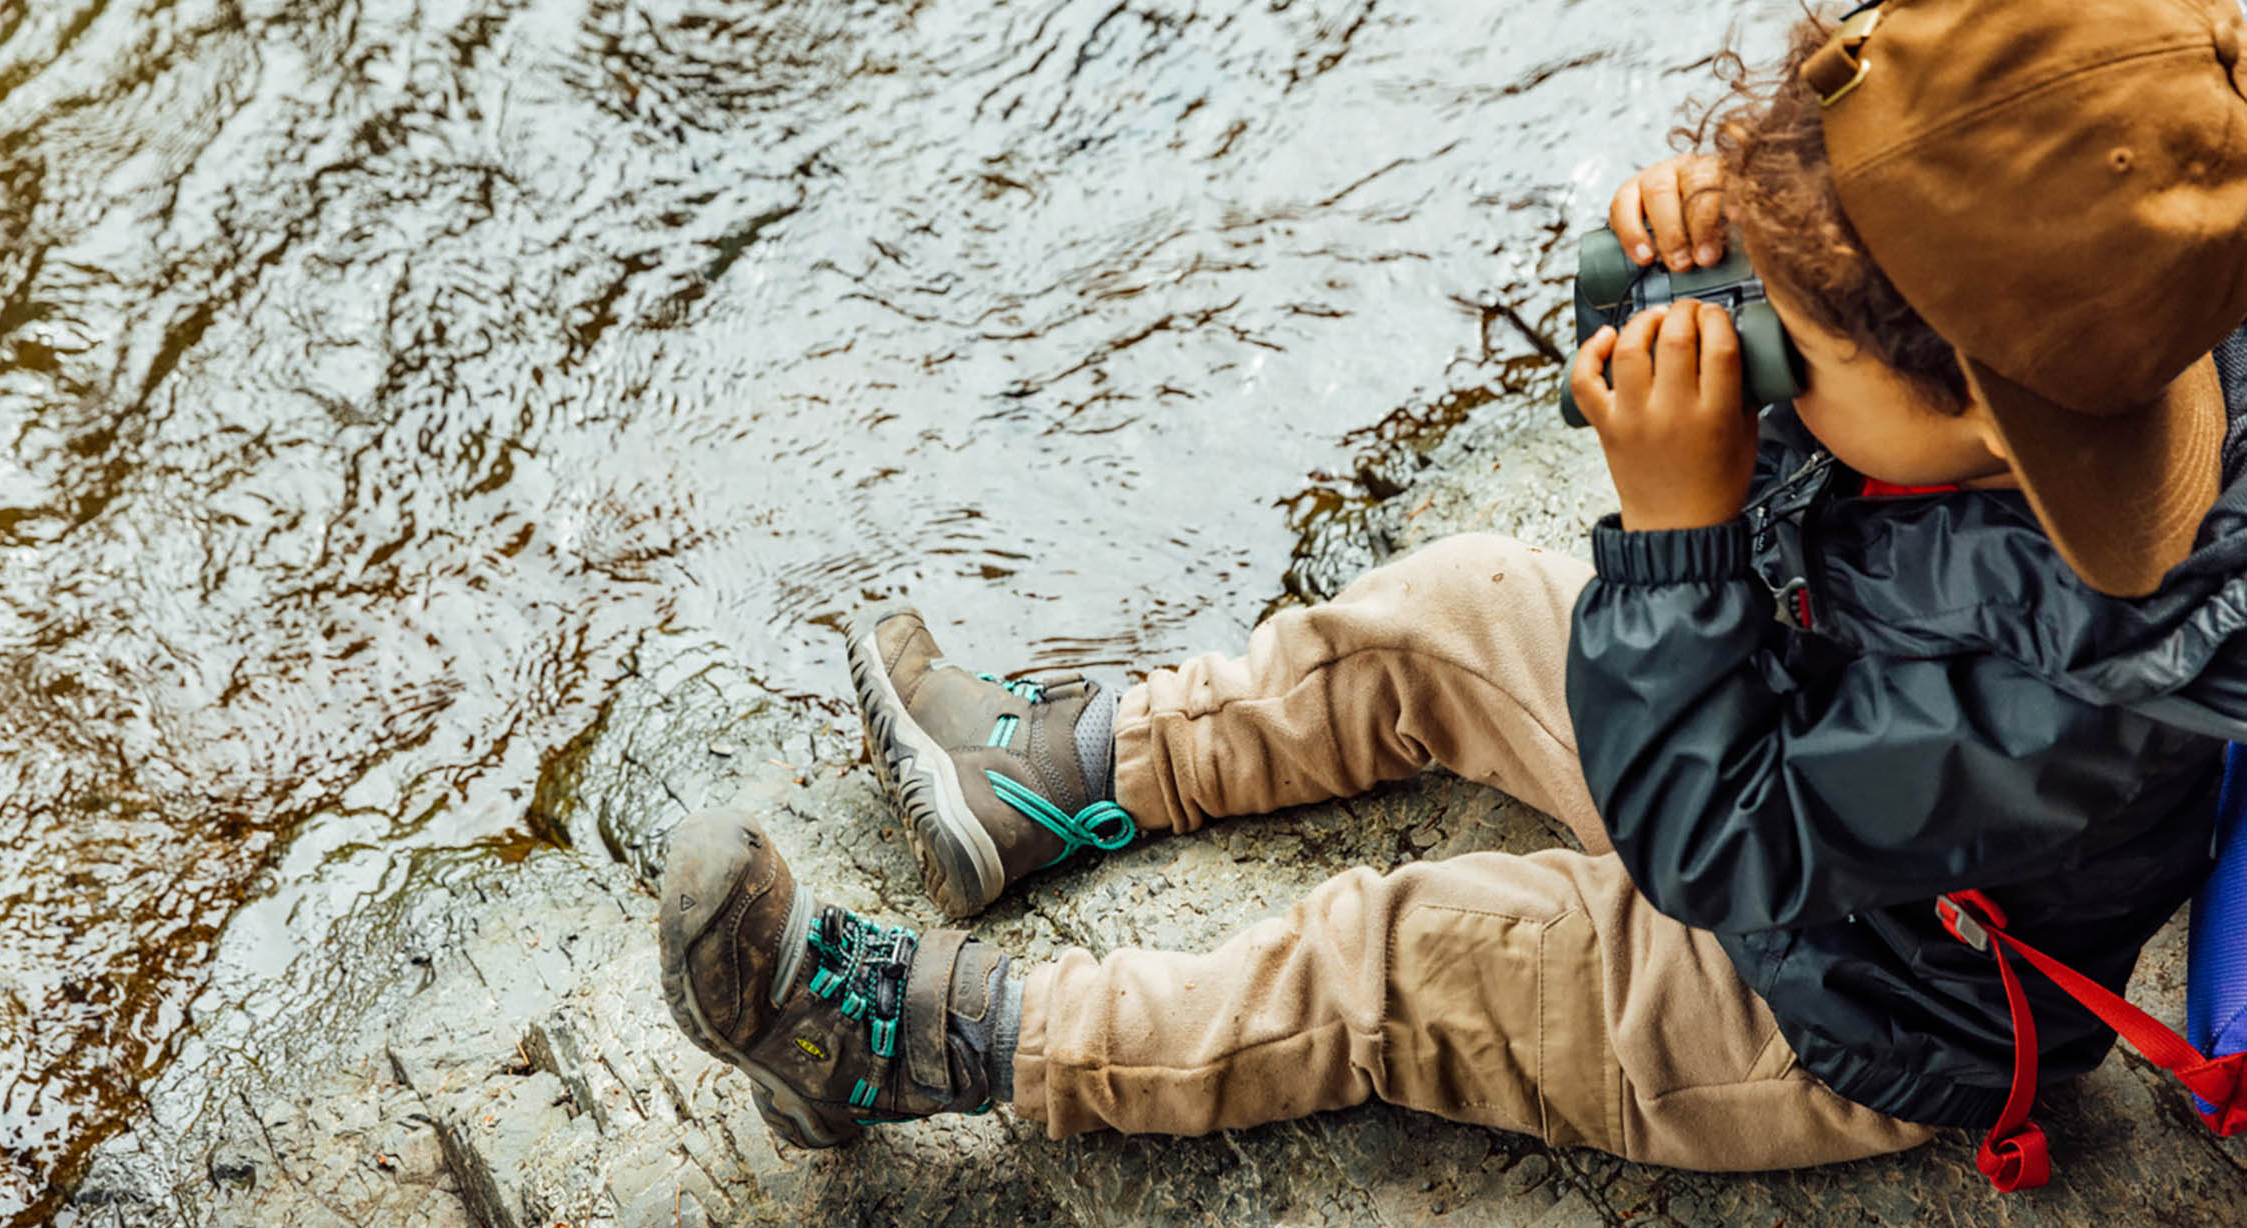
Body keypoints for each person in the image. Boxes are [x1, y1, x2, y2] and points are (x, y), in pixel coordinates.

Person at [654, 0, 2247, 1170]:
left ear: (1988, 411)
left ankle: (925, 1045)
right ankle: (1050, 777)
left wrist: (1677, 527)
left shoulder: (2073, 695)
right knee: (1471, 593)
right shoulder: (2083, 348)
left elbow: (1717, 837)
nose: (1749, 332)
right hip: (1783, 772)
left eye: (1790, 336)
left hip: (1853, 1007)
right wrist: (1765, 250)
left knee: (1407, 948)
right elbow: (1855, 495)